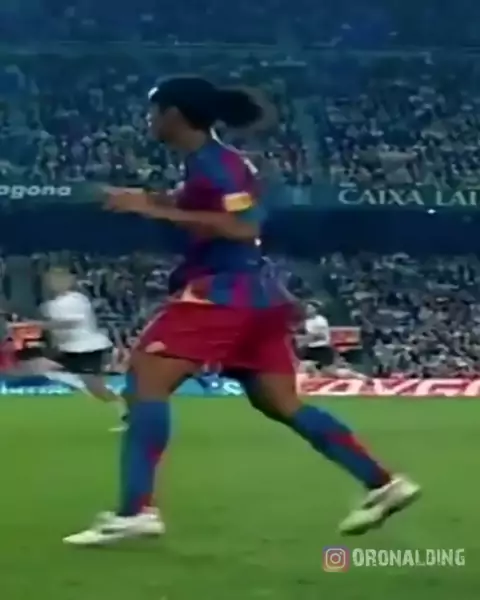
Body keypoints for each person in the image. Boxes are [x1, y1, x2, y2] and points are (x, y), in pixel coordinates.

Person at [63, 76, 420, 546]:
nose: (149, 121)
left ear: (174, 114)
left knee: (146, 380)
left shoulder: (218, 165)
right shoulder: (210, 164)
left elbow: (242, 227)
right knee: (282, 403)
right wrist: (144, 198)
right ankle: (383, 483)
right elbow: (202, 206)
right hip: (257, 296)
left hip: (223, 292)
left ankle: (135, 511)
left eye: (154, 112)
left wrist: (155, 211)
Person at [301, 303, 368, 379]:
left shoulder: (320, 320)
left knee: (330, 371)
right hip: (310, 349)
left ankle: (359, 376)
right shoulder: (306, 321)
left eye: (311, 308)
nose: (308, 310)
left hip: (321, 349)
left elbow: (319, 336)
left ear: (315, 309)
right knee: (307, 368)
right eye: (307, 308)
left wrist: (303, 339)